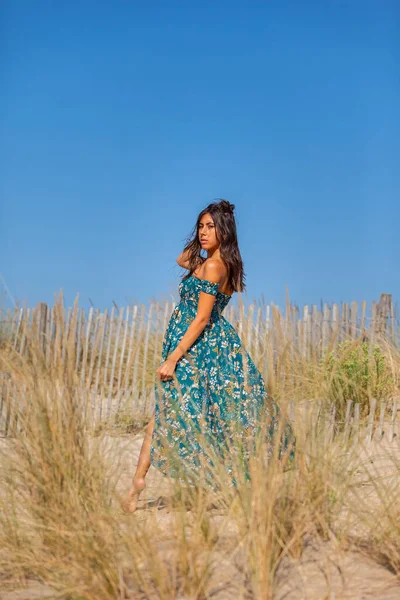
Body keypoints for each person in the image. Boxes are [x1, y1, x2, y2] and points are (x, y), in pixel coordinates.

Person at [122, 199, 295, 513]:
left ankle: (141, 484)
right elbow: (181, 257)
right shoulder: (207, 262)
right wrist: (202, 240)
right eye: (200, 226)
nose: (203, 232)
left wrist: (173, 357)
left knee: (185, 416)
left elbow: (201, 318)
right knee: (162, 414)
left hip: (198, 350)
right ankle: (137, 483)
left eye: (210, 227)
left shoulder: (215, 266)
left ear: (224, 231)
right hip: (194, 346)